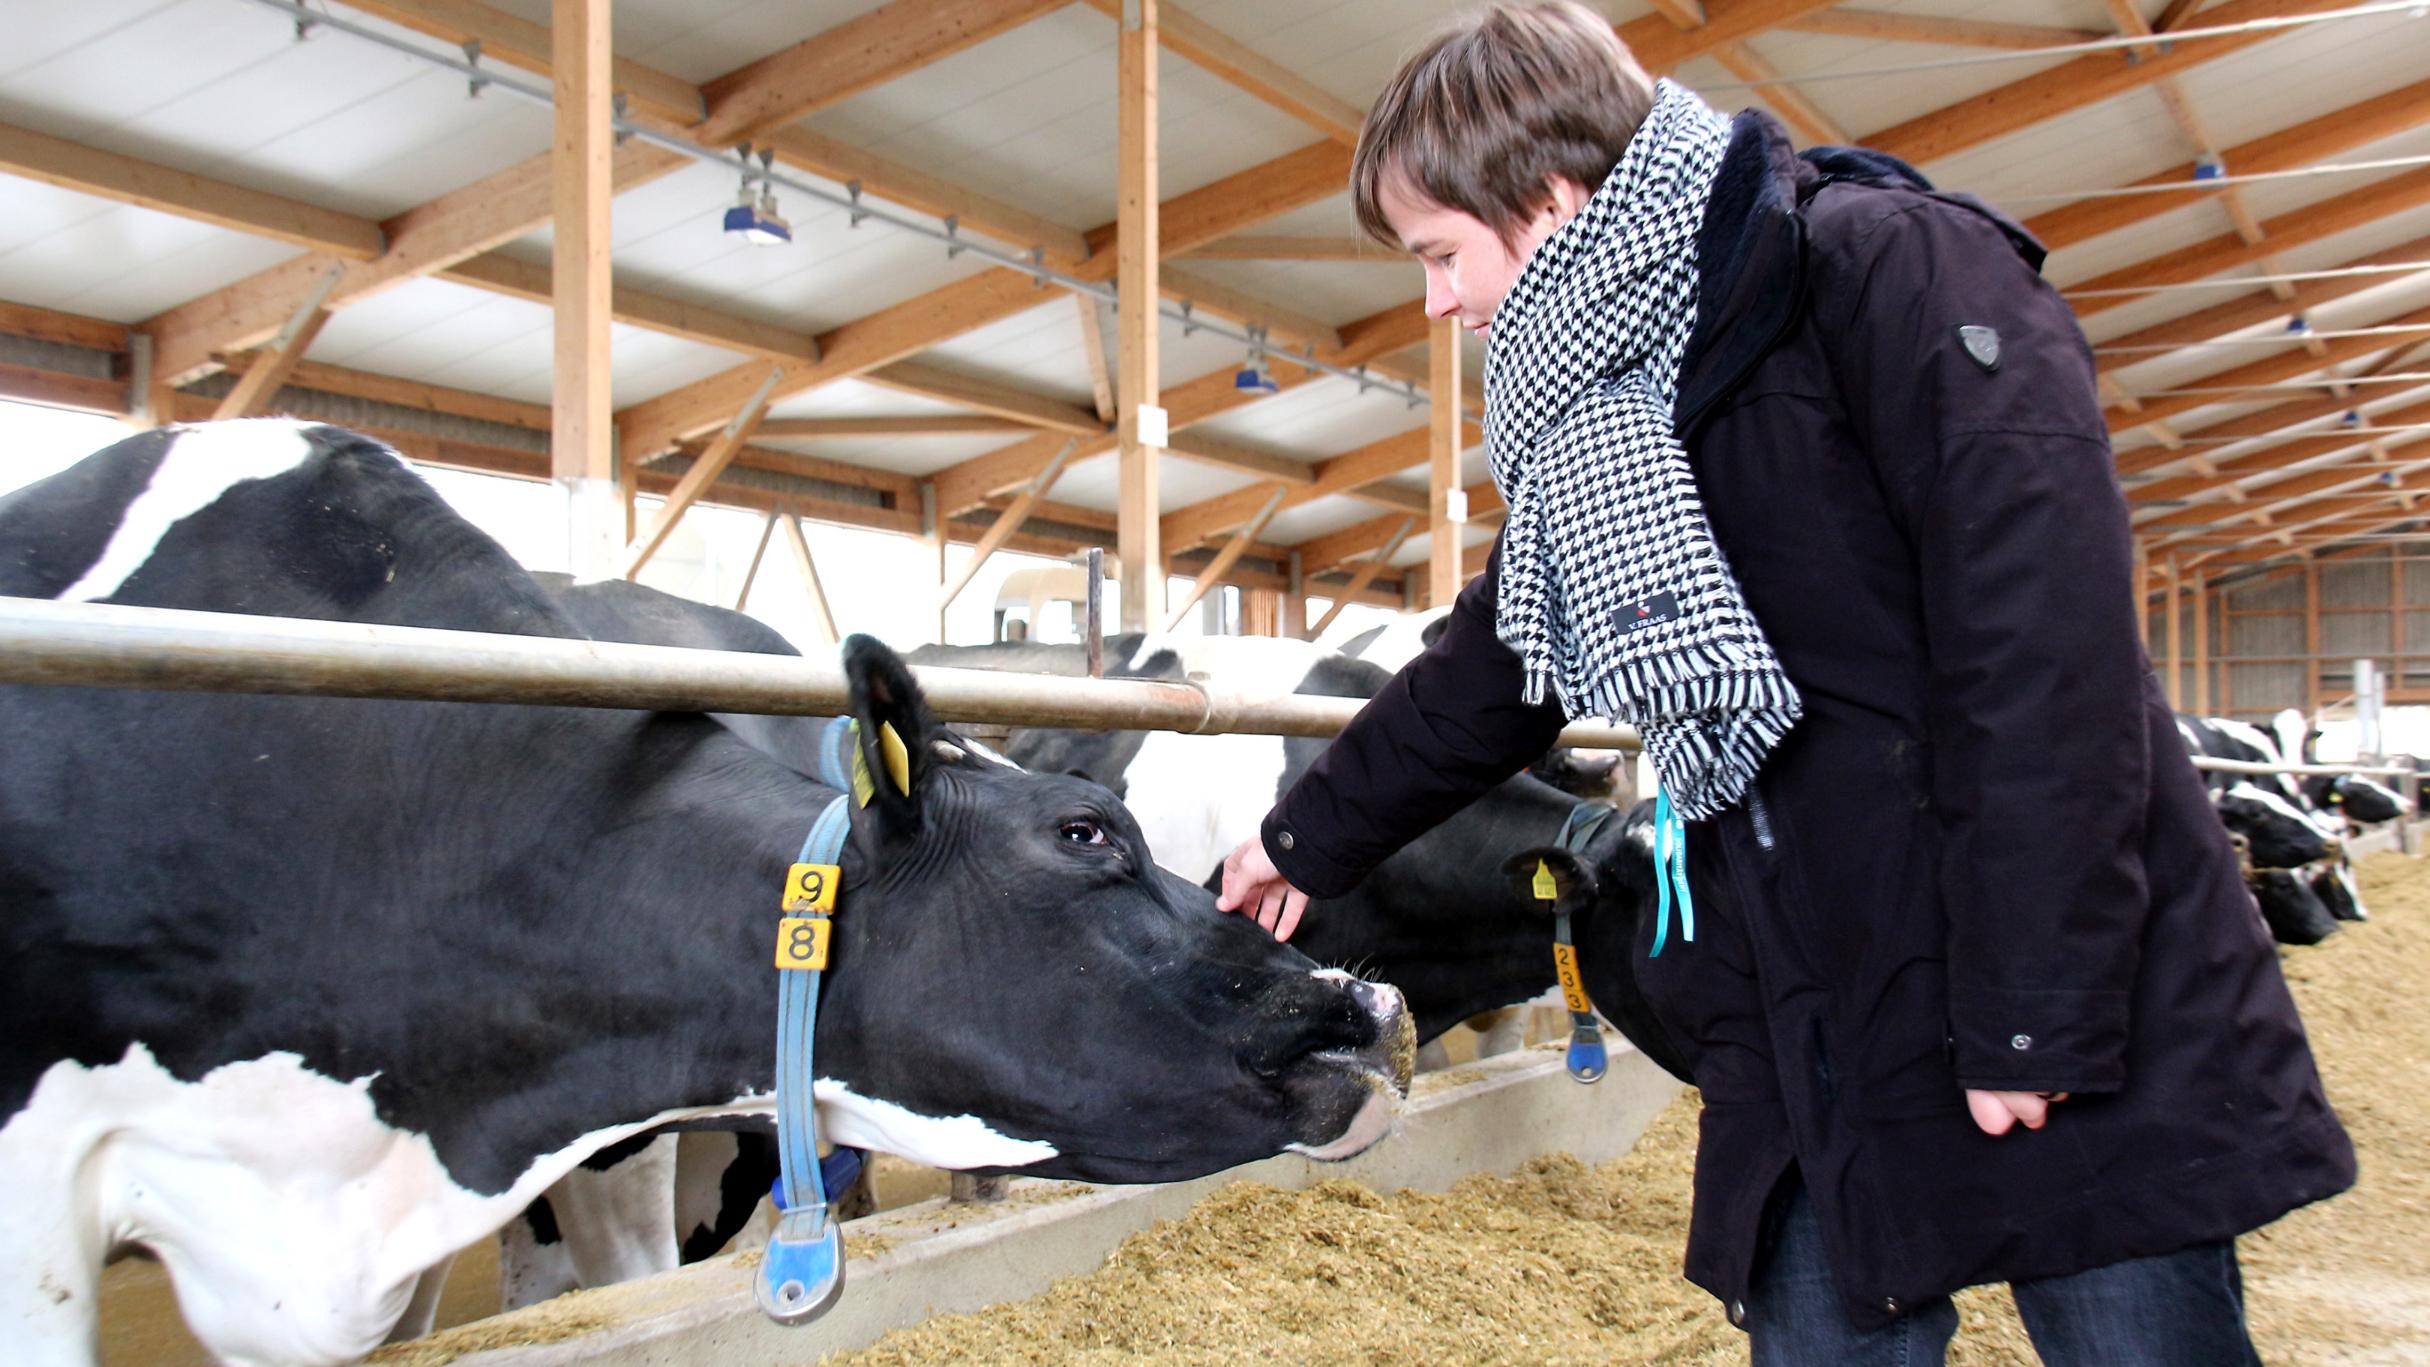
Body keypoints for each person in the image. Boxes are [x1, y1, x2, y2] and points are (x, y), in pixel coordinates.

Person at [1214, 5, 2356, 1363]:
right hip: (1813, 996)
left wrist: (2031, 1011)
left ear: (1549, 198)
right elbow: (1501, 658)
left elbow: (2044, 668)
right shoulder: (1598, 403)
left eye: (1439, 254)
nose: (1436, 301)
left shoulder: (1896, 273)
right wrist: (1302, 837)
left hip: (2043, 969)